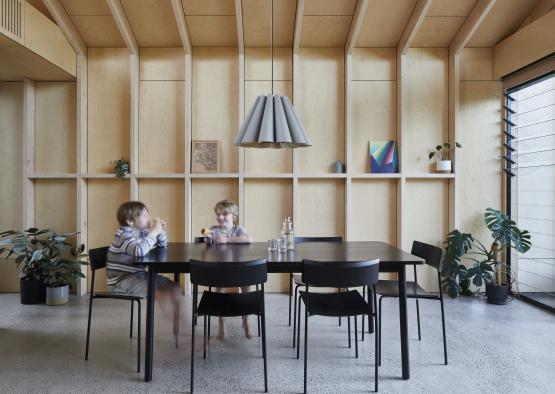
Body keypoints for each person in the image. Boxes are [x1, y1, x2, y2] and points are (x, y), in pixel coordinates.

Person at [106, 201, 181, 318]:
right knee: (162, 294)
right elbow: (139, 250)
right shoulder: (123, 235)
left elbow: (162, 245)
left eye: (149, 215)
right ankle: (180, 327)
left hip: (139, 275)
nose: (149, 218)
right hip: (121, 281)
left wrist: (160, 232)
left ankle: (177, 324)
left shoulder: (141, 232)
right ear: (130, 221)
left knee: (175, 288)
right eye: (145, 216)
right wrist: (154, 232)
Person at [205, 199, 253, 340]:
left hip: (238, 268)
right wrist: (208, 239)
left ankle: (246, 320)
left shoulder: (238, 229)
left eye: (224, 214)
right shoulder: (214, 229)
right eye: (218, 214)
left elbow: (249, 239)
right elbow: (208, 244)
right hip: (221, 269)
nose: (220, 217)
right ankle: (222, 324)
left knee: (246, 288)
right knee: (219, 292)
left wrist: (227, 240)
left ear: (234, 216)